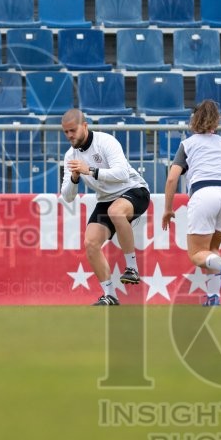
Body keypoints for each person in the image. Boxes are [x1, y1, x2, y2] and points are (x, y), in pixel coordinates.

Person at [59, 109, 150, 306]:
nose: (70, 136)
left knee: (115, 211)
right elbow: (67, 196)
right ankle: (110, 295)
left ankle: (132, 268)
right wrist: (75, 178)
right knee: (90, 243)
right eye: (65, 132)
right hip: (106, 199)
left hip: (135, 190)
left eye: (73, 130)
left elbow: (122, 175)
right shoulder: (70, 156)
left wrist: (90, 170)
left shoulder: (105, 141)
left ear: (85, 126)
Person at [162, 100, 221, 306]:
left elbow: (172, 178)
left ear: (194, 120)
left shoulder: (188, 144)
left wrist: (167, 208)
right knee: (211, 249)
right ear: (217, 121)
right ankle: (213, 297)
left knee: (197, 254)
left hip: (204, 193)